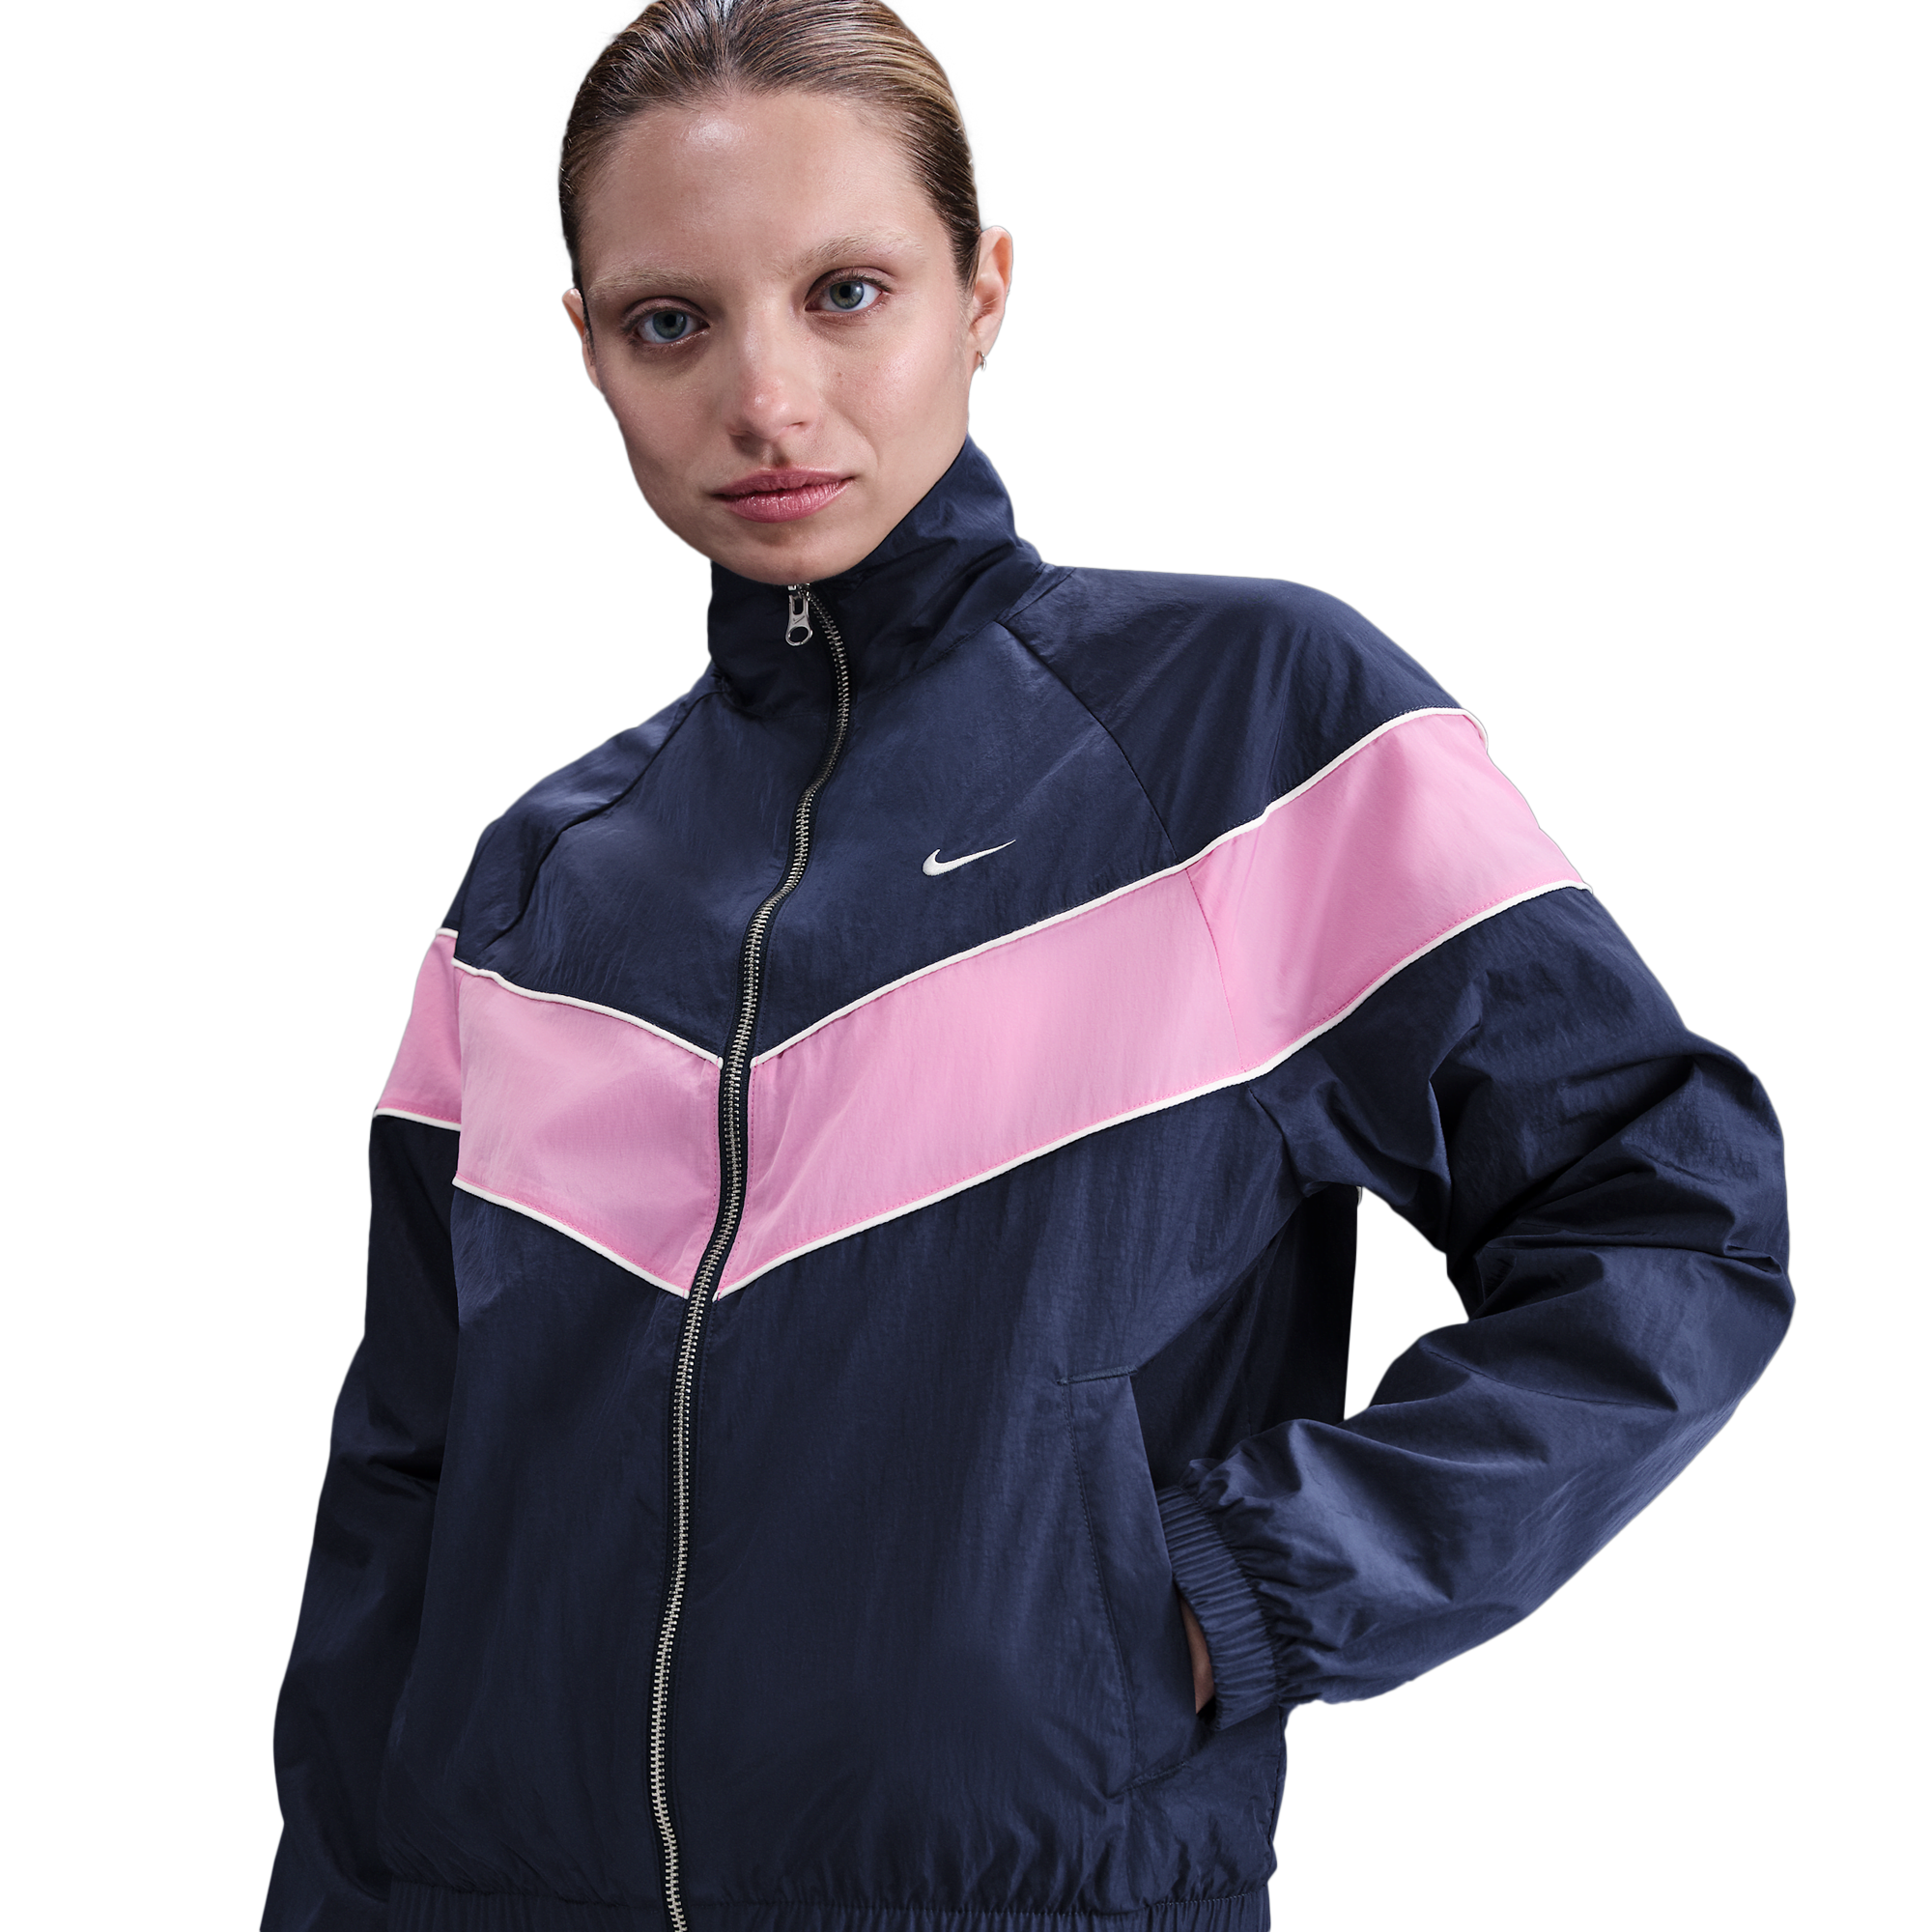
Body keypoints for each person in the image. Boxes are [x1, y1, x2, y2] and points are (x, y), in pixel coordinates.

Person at [260, 2, 1794, 1927]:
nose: (767, 399)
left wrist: (1245, 1591)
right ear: (588, 358)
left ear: (981, 292)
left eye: (845, 293)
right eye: (672, 321)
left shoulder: (1248, 731)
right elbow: (404, 1485)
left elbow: (1669, 1215)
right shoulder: (537, 880)